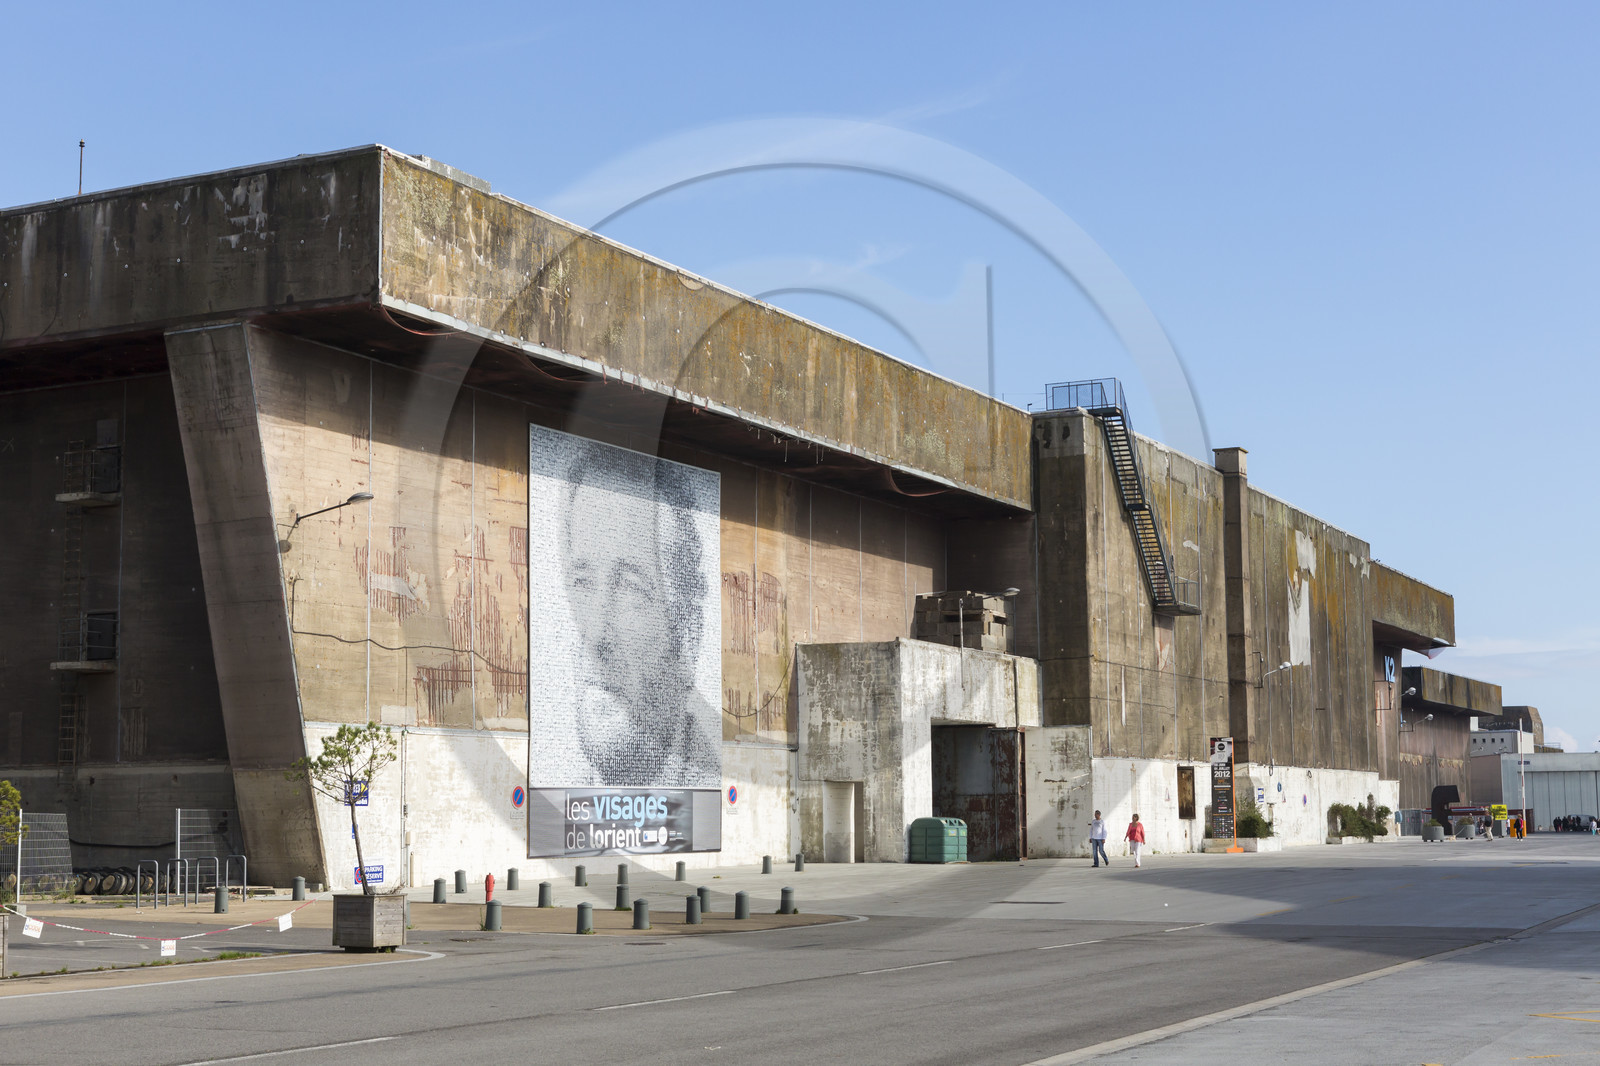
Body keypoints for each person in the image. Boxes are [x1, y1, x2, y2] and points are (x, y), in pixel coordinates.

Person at [553, 439, 721, 789]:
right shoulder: (561, 793)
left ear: (687, 632)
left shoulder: (709, 779)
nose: (597, 635)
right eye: (583, 582)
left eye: (630, 588)